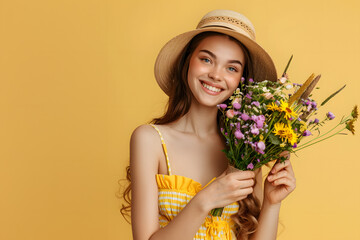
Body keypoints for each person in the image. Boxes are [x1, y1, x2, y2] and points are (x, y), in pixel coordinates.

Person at [120, 9, 296, 240]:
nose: (216, 75)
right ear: (187, 63)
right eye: (206, 59)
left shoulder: (245, 148)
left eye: (231, 68)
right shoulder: (149, 140)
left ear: (241, 81)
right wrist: (205, 200)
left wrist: (272, 203)